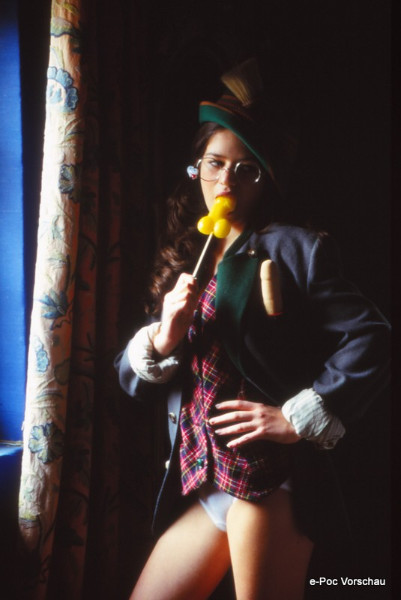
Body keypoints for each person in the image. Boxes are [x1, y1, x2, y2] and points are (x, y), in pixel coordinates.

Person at [115, 59, 390, 600]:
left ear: (266, 179)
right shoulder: (188, 253)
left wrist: (295, 417)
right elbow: (127, 380)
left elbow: (372, 337)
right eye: (215, 164)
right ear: (196, 168)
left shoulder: (295, 248)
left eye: (246, 169)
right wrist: (163, 338)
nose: (226, 181)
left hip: (265, 481)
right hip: (203, 478)